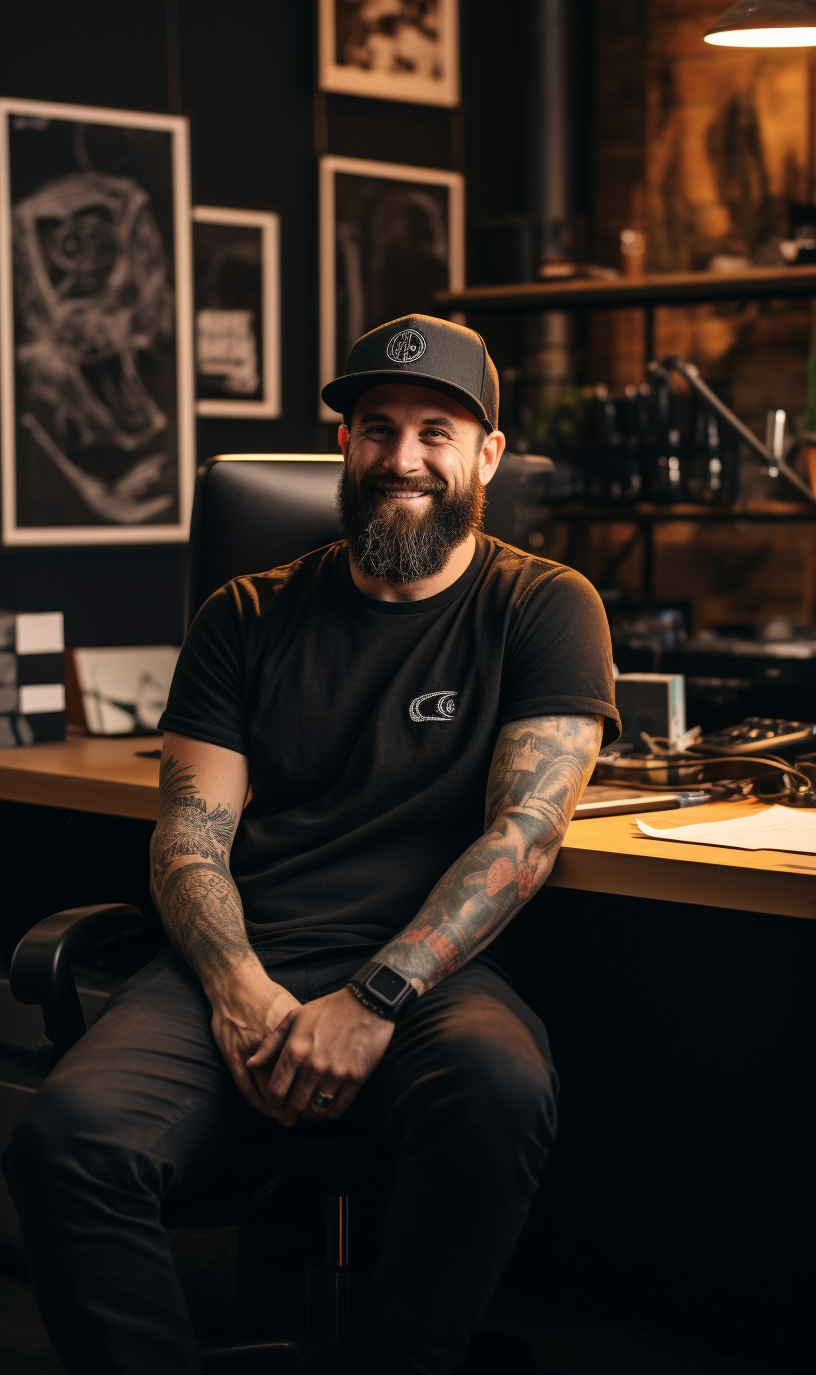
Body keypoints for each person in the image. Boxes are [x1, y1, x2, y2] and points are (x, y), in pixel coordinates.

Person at [5, 314, 620, 1375]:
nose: (405, 459)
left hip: (430, 970)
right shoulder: (243, 616)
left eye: (438, 430)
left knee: (499, 1090)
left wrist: (374, 995)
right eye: (378, 428)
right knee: (68, 1140)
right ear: (343, 445)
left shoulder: (544, 604)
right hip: (239, 959)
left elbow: (525, 835)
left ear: (488, 454)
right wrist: (240, 987)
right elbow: (187, 843)